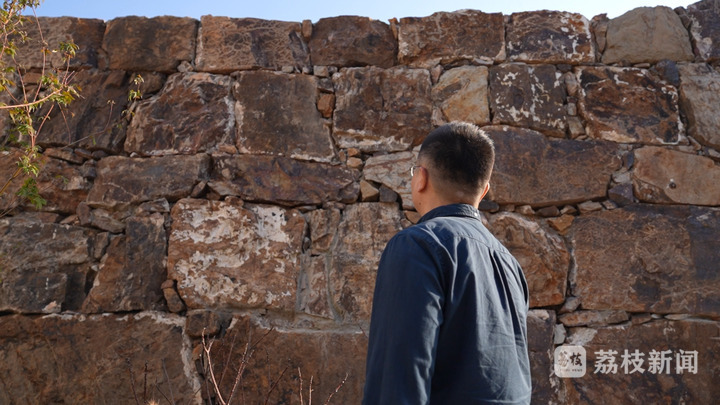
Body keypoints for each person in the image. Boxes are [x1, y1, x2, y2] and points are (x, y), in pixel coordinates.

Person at [362, 122, 531, 404]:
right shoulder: (509, 264)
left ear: (420, 178)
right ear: (484, 190)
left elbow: (398, 379)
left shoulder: (417, 245)